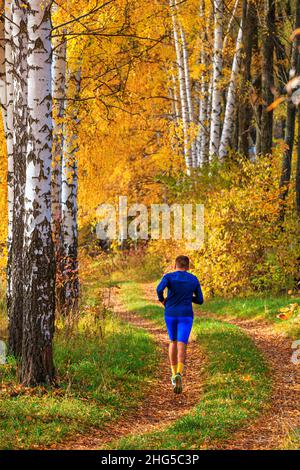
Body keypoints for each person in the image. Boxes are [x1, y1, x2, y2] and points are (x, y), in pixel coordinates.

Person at [156, 255, 203, 394]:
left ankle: (172, 374)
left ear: (174, 265)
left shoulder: (169, 277)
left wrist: (162, 300)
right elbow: (200, 300)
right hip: (186, 314)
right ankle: (179, 373)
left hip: (170, 313)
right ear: (188, 267)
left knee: (173, 341)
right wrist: (189, 297)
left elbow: (159, 289)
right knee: (182, 342)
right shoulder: (193, 279)